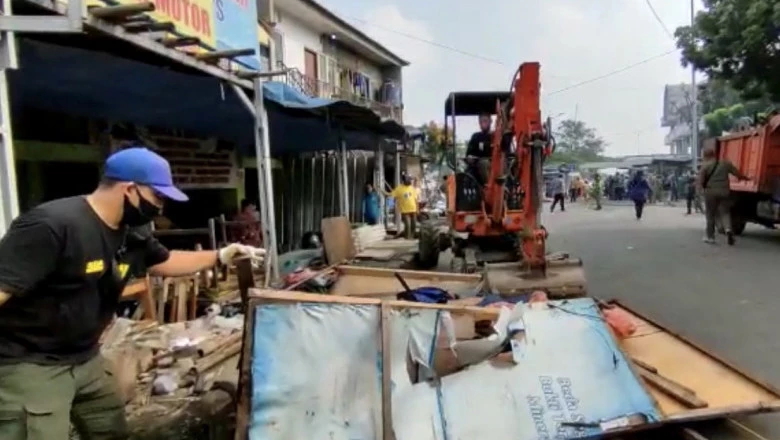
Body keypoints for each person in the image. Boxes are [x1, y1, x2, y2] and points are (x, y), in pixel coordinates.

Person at [0, 147, 263, 440]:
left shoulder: (131, 232)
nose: (161, 208)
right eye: (157, 198)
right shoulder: (52, 226)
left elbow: (164, 261)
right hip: (30, 364)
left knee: (111, 430)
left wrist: (222, 255)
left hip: (84, 358)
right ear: (130, 189)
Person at [698, 146, 750, 245]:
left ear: (705, 156)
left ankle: (710, 237)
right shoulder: (725, 163)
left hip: (710, 193)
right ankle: (728, 230)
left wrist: (700, 192)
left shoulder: (704, 166)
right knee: (725, 212)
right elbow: (737, 173)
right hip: (724, 192)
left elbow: (700, 182)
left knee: (710, 215)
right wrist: (745, 178)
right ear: (714, 154)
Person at [465, 113, 493, 185]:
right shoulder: (476, 137)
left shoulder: (496, 135)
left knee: (484, 163)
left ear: (490, 121)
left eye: (485, 121)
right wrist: (469, 157)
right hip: (478, 165)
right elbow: (469, 153)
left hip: (494, 164)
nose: (482, 124)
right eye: (480, 122)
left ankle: (490, 188)